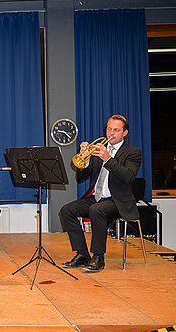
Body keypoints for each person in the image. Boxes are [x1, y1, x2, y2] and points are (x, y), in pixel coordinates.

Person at [60, 114, 142, 272]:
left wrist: (108, 158)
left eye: (116, 130)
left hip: (118, 201)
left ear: (125, 133)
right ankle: (82, 254)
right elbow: (81, 178)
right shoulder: (97, 149)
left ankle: (98, 257)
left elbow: (128, 177)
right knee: (67, 210)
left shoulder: (132, 152)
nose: (111, 133)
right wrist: (85, 160)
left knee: (96, 210)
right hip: (96, 198)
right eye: (109, 129)